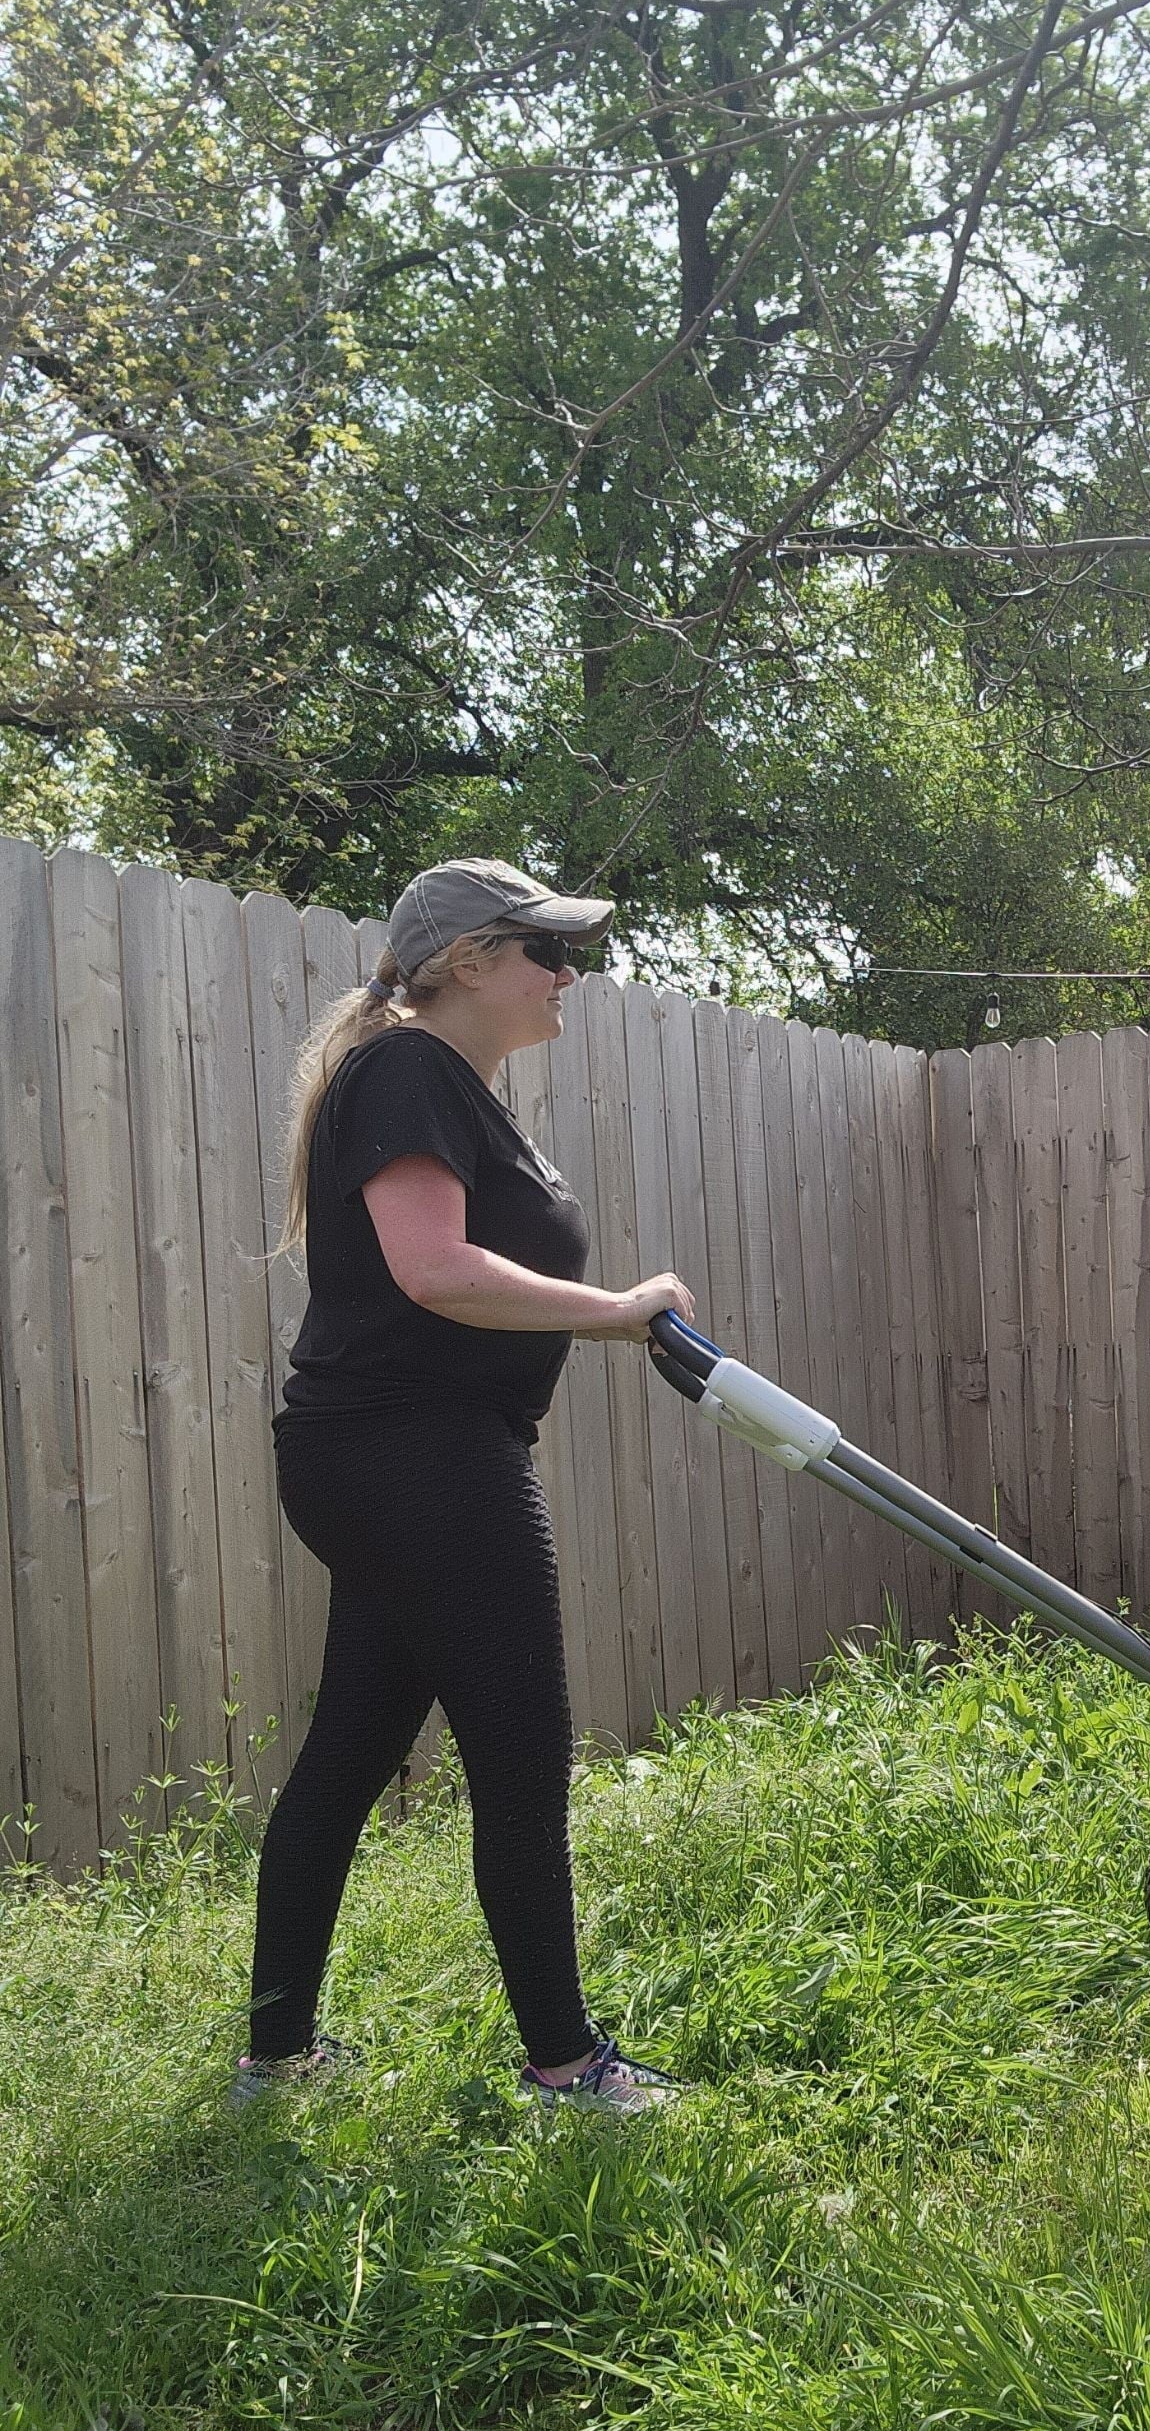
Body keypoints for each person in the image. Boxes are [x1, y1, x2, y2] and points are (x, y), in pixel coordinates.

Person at [232, 857, 694, 2114]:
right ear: (470, 961)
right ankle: (566, 2064)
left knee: (351, 1747)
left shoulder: (439, 1085)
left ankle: (277, 2057)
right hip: (418, 1453)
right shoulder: (409, 1069)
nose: (569, 974)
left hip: (386, 1454)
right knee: (519, 1749)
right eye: (549, 950)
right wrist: (617, 1309)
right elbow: (435, 1270)